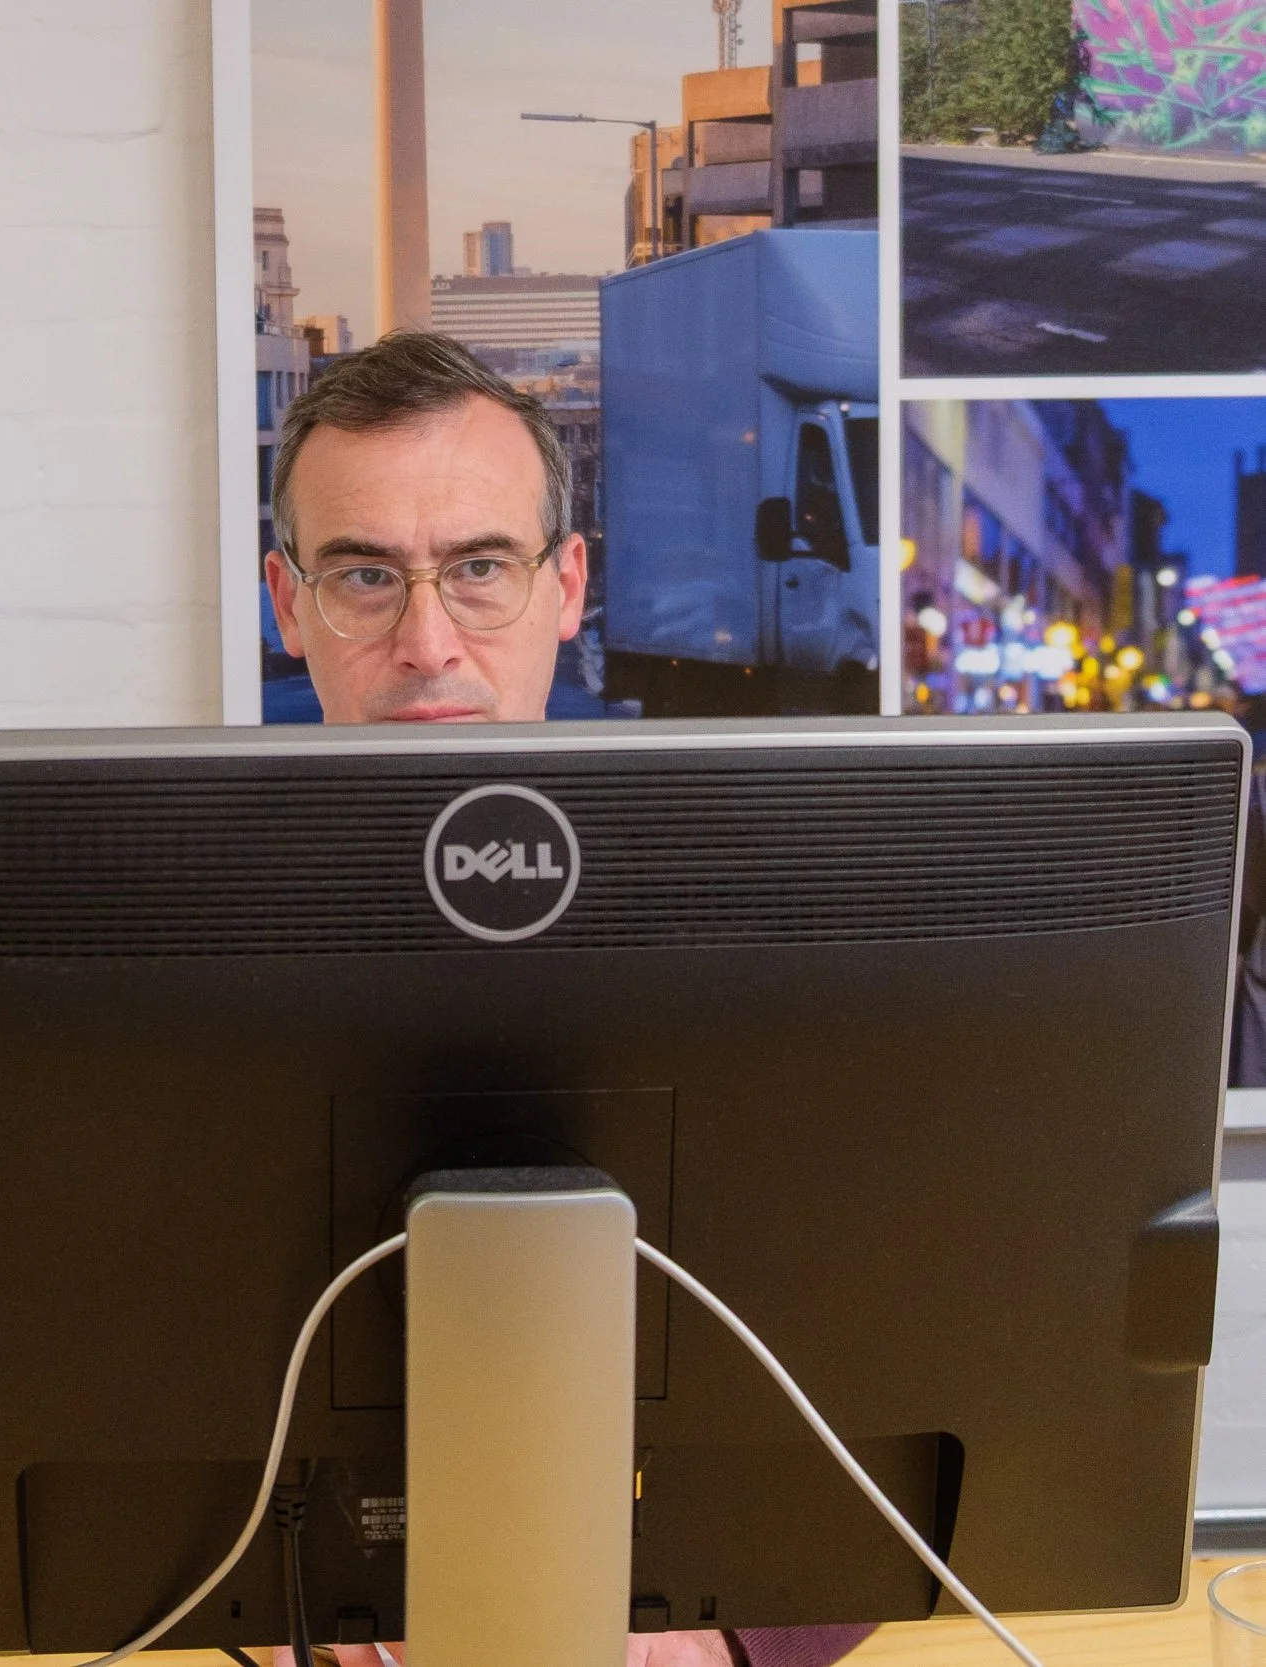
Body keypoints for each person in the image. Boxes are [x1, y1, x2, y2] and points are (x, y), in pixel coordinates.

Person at [263, 332, 876, 1667]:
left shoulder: (759, 913)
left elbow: (896, 1341)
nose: (428, 642)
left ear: (567, 587)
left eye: (480, 568)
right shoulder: (178, 933)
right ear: (287, 602)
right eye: (363, 575)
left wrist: (721, 1644)